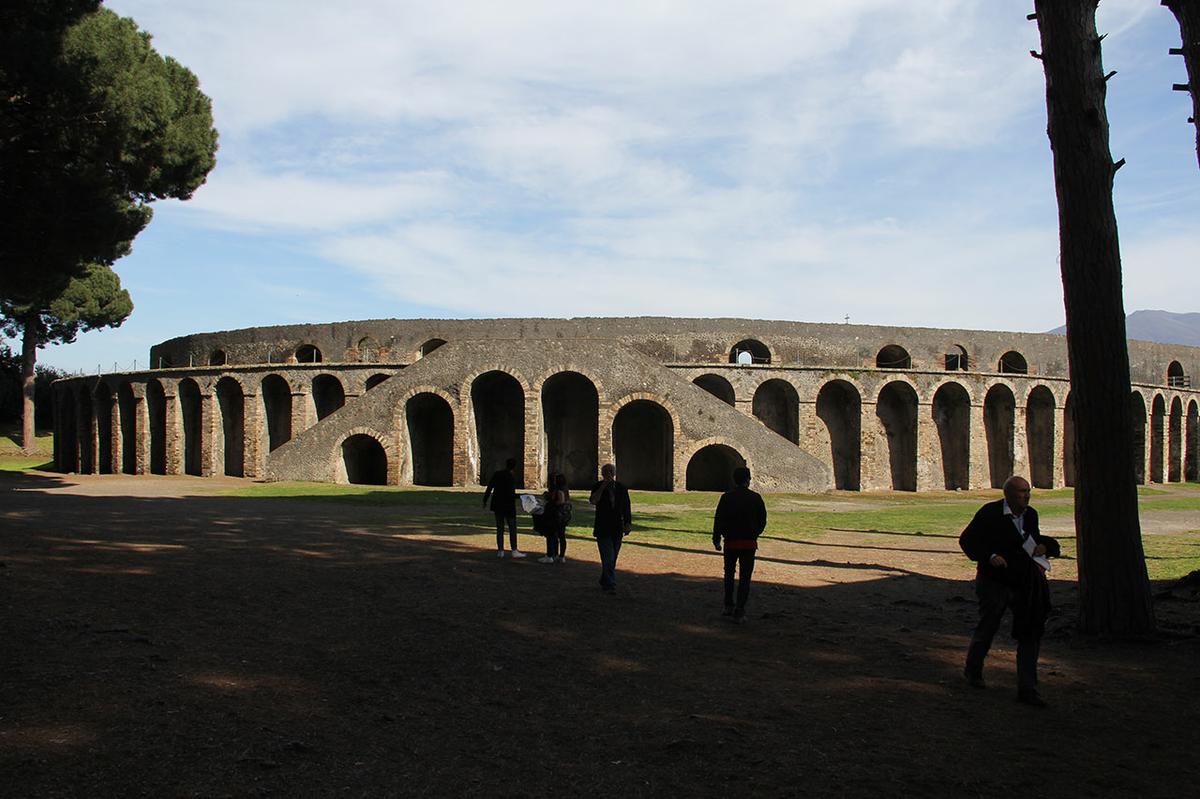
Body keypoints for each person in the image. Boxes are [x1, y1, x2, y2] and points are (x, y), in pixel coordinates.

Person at [958, 475, 1060, 707]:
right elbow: (968, 540)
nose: (1026, 496)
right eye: (1021, 492)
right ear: (1008, 495)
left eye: (1027, 492)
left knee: (1029, 632)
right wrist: (990, 556)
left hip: (1024, 582)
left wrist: (1046, 548)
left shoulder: (1031, 515)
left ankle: (1028, 688)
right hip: (994, 581)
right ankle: (973, 670)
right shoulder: (990, 513)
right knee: (988, 625)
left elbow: (1031, 540)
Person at [711, 466, 768, 623]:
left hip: (730, 542)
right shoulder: (756, 498)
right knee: (745, 578)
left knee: (729, 575)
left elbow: (719, 519)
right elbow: (762, 520)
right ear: (748, 480)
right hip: (749, 543)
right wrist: (755, 533)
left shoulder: (726, 498)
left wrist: (716, 539)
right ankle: (740, 610)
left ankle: (728, 605)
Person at [589, 463, 631, 593]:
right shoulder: (597, 486)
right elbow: (594, 501)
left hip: (617, 526)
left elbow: (626, 507)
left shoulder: (621, 488)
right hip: (603, 526)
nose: (608, 474)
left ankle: (604, 579)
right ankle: (610, 585)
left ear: (614, 473)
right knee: (608, 556)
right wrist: (602, 487)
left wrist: (628, 523)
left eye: (610, 471)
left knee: (613, 557)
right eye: (606, 472)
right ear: (602, 474)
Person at [482, 458, 525, 558]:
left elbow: (489, 487)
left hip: (497, 504)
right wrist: (522, 496)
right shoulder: (511, 477)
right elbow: (510, 494)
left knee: (500, 528)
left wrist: (485, 500)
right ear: (514, 467)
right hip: (508, 505)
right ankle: (514, 550)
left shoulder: (497, 474)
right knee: (512, 528)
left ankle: (500, 551)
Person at [538, 473, 570, 564]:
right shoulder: (565, 489)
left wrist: (549, 498)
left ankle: (551, 555)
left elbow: (559, 501)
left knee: (552, 535)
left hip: (556, 516)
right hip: (563, 516)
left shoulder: (559, 490)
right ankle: (560, 556)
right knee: (561, 536)